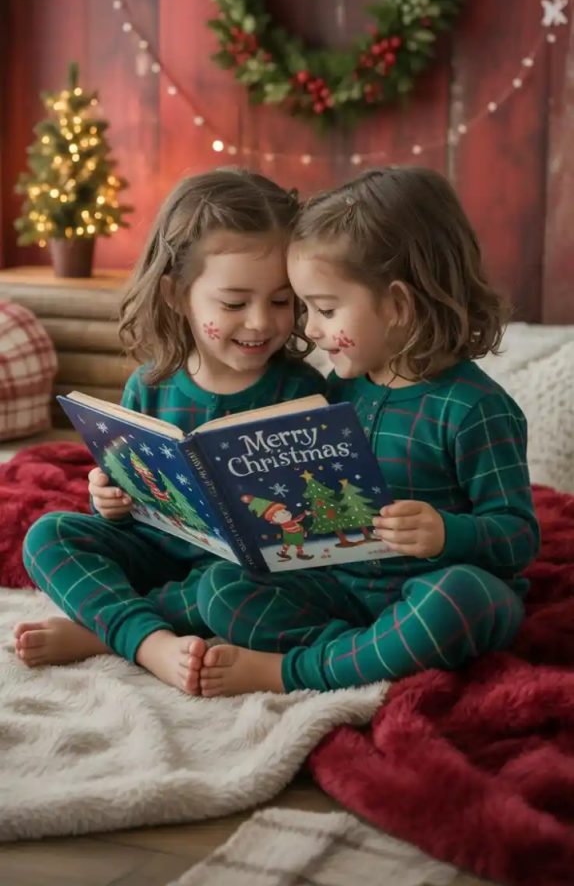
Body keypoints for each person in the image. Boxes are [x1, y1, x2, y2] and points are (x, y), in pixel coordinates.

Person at [196, 166, 540, 696]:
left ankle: (296, 670)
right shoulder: (339, 391)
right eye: (307, 308)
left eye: (326, 310)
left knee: (459, 600)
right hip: (344, 587)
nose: (310, 329)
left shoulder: (475, 409)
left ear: (399, 306)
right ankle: (360, 652)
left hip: (433, 589)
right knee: (220, 589)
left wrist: (448, 533)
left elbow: (519, 535)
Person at [14, 168, 325, 693]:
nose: (260, 322)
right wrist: (107, 498)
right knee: (46, 536)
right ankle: (149, 641)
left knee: (235, 592)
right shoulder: (151, 385)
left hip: (243, 575)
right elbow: (125, 502)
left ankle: (109, 630)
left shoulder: (304, 392)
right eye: (233, 303)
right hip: (157, 553)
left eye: (280, 300)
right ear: (177, 295)